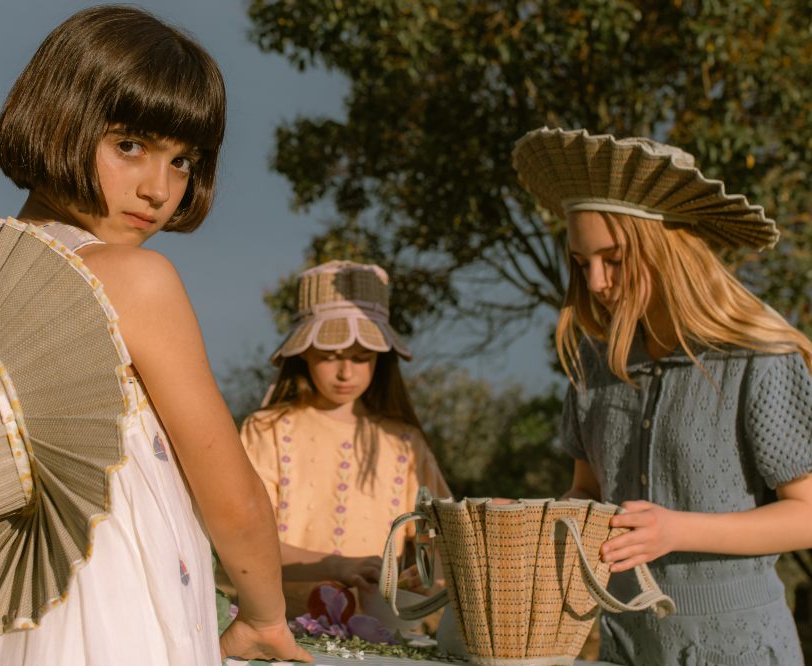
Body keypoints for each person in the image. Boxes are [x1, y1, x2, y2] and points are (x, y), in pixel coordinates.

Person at [0, 6, 309, 664]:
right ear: (57, 117)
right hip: (105, 607)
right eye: (129, 144)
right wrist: (264, 614)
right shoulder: (135, 279)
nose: (159, 189)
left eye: (183, 160)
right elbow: (229, 490)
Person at [512, 127, 812, 664]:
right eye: (582, 263)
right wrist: (529, 531)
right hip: (624, 643)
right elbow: (586, 491)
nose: (597, 282)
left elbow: (807, 514)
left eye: (616, 259)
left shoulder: (757, 358)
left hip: (738, 648)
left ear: (668, 250)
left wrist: (677, 529)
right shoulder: (593, 363)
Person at [238, 260, 451, 619]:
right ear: (302, 352)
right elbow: (243, 544)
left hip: (381, 633)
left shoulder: (405, 442)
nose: (345, 372)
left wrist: (429, 579)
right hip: (282, 629)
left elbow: (446, 538)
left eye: (361, 357)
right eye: (328, 356)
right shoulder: (266, 431)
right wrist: (337, 566)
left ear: (381, 358)